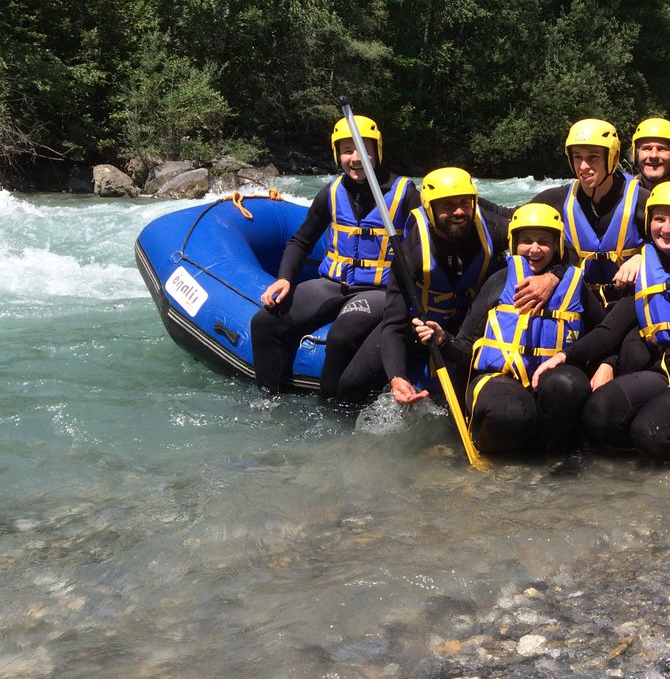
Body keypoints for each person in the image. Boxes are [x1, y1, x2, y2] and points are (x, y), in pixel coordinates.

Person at [532, 182, 670, 461]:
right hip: (665, 369)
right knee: (598, 414)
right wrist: (566, 356)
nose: (666, 229)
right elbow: (610, 329)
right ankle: (656, 447)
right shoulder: (646, 270)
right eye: (659, 219)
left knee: (650, 431)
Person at [336, 167, 552, 404]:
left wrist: (551, 277)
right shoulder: (411, 251)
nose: (458, 212)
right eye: (447, 206)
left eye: (464, 203)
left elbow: (557, 243)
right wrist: (397, 378)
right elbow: (394, 323)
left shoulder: (493, 228)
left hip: (471, 330)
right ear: (430, 209)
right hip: (421, 327)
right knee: (350, 384)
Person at [410, 204, 604, 454]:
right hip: (497, 381)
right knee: (512, 413)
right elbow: (467, 346)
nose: (534, 249)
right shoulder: (499, 281)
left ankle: (546, 458)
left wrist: (607, 363)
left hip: (549, 384)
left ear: (557, 245)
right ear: (514, 243)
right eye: (527, 241)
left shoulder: (574, 284)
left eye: (544, 241)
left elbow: (604, 333)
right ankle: (493, 462)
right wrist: (442, 339)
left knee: (568, 384)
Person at [250, 115, 419, 398]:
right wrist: (284, 279)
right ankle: (272, 405)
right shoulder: (331, 192)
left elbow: (427, 244)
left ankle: (328, 415)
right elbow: (300, 240)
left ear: (377, 150)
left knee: (342, 335)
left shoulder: (405, 193)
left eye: (363, 149)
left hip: (378, 290)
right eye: (347, 151)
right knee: (264, 323)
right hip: (331, 284)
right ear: (337, 154)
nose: (355, 158)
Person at [531, 119, 649, 306]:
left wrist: (643, 256)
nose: (583, 167)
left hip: (628, 301)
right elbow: (507, 216)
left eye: (593, 157)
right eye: (577, 157)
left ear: (612, 157)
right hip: (581, 303)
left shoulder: (642, 200)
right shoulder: (557, 199)